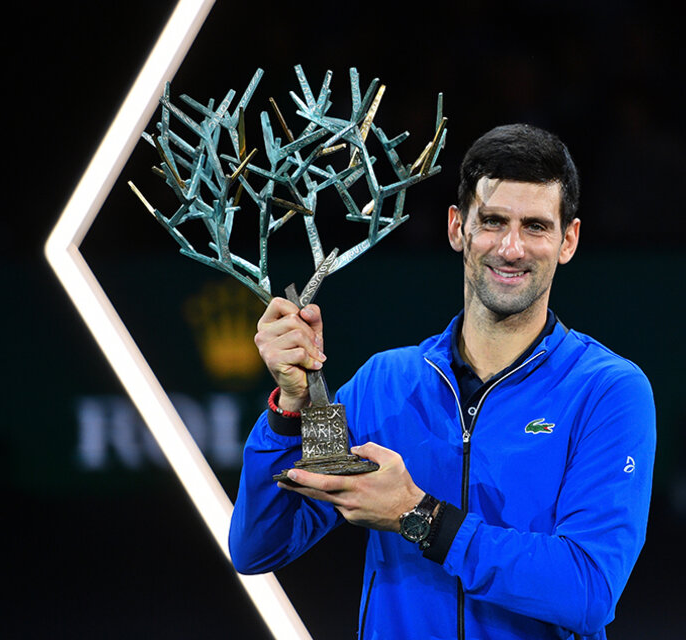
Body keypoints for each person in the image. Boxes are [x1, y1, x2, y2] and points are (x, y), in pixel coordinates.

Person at [229, 124, 656, 640]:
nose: (512, 247)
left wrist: (418, 515)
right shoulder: (382, 383)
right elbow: (260, 546)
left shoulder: (608, 392)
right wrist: (295, 407)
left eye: (536, 227)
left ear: (568, 240)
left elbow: (587, 590)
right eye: (493, 222)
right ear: (458, 228)